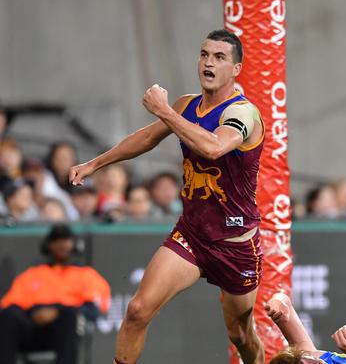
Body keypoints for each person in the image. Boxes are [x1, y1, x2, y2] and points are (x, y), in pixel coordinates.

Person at [68, 29, 265, 364]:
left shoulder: (243, 113)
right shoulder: (186, 105)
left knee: (241, 336)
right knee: (137, 311)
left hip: (235, 242)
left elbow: (214, 147)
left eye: (219, 57)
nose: (208, 62)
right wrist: (95, 164)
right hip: (192, 233)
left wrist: (165, 111)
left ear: (236, 70)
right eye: (204, 54)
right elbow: (147, 138)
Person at [0, 224, 110, 364]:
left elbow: (94, 310)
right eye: (57, 240)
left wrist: (57, 312)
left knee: (70, 316)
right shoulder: (33, 274)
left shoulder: (86, 275)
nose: (61, 245)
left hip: (64, 329)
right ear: (48, 245)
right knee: (8, 316)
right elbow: (10, 305)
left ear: (74, 244)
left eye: (66, 240)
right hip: (33, 327)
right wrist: (36, 315)